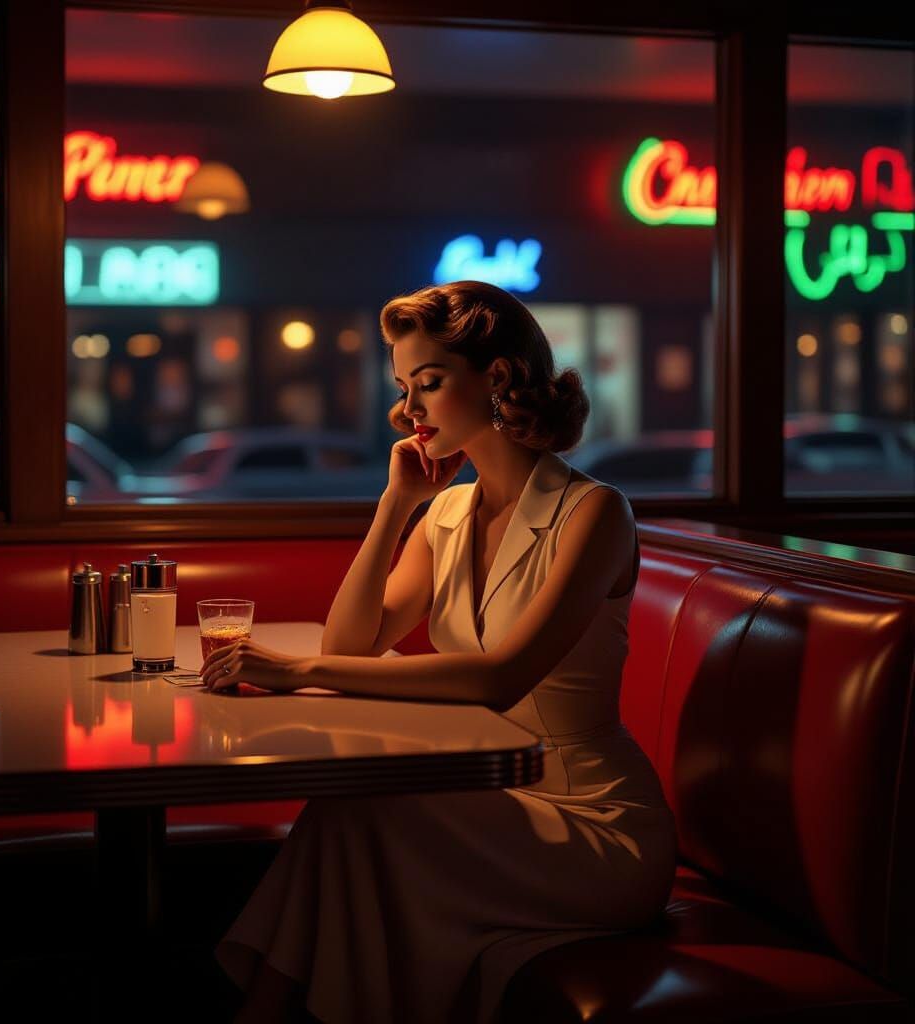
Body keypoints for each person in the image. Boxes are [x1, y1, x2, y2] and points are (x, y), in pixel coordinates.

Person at [201, 280, 678, 1023]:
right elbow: (353, 641)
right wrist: (397, 506)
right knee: (351, 815)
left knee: (359, 819)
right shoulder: (448, 513)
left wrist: (295, 672)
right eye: (402, 387)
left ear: (496, 378)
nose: (408, 409)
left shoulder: (594, 513)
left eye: (428, 382)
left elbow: (500, 677)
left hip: (594, 824)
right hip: (497, 800)